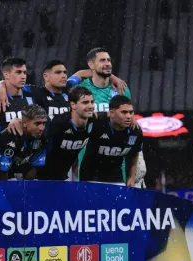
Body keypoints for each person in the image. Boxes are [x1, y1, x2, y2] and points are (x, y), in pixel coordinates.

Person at [68, 47, 146, 188]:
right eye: (102, 60)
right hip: (88, 151)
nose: (107, 63)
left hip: (116, 153)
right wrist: (82, 73)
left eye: (109, 60)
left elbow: (127, 112)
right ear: (91, 65)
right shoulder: (80, 88)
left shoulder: (121, 88)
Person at [0, 59, 128, 119]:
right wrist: (0, 88)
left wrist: (113, 78)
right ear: (46, 76)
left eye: (64, 72)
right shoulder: (36, 92)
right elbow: (9, 83)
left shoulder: (68, 87)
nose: (63, 76)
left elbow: (82, 73)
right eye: (58, 73)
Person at [79, 95, 144, 187]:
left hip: (116, 179)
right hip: (90, 178)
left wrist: (131, 178)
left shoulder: (135, 131)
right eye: (124, 112)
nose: (129, 116)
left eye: (131, 112)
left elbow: (134, 154)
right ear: (112, 113)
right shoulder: (97, 123)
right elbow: (78, 117)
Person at [36, 86, 95, 181]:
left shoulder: (93, 121)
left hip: (63, 178)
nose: (91, 106)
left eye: (92, 102)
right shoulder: (58, 123)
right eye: (85, 102)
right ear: (73, 105)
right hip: (40, 178)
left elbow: (110, 115)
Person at [0, 104, 48, 181]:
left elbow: (35, 166)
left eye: (44, 123)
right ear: (24, 123)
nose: (41, 128)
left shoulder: (43, 136)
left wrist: (26, 188)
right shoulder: (10, 136)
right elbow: (3, 172)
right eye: (37, 123)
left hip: (20, 174)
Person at [0, 57, 35, 131]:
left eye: (24, 72)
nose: (23, 76)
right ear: (6, 74)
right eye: (18, 72)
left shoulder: (32, 95)